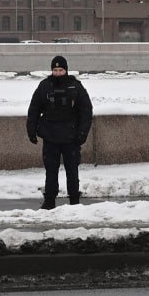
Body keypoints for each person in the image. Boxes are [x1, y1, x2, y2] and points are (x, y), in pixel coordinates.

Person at [27, 55, 94, 209]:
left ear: (66, 70)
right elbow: (34, 109)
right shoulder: (44, 86)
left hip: (71, 137)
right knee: (51, 171)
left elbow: (86, 111)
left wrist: (82, 133)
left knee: (72, 171)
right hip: (50, 137)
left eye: (60, 70)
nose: (57, 73)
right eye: (55, 70)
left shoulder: (75, 86)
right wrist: (31, 130)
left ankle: (74, 201)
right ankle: (49, 200)